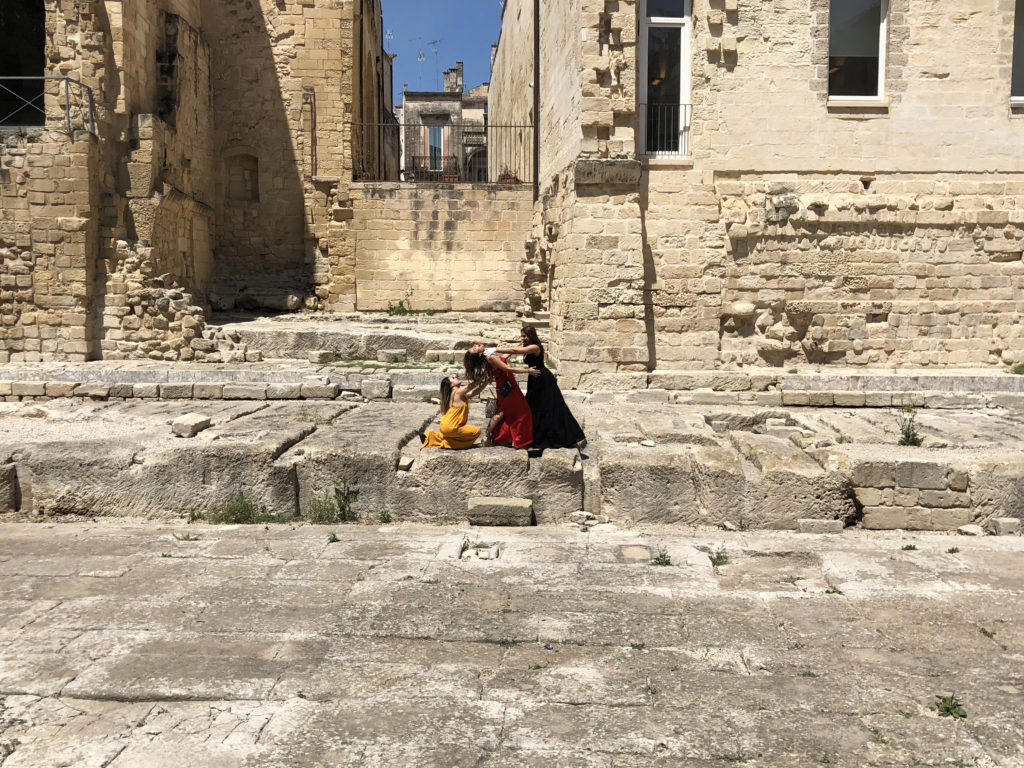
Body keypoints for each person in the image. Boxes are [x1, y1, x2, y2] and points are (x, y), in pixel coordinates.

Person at [496, 326, 585, 450]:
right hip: (534, 379)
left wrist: (495, 349)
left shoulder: (535, 347)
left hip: (543, 379)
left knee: (549, 407)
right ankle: (534, 437)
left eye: (524, 336)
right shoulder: (526, 345)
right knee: (533, 407)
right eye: (522, 335)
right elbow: (513, 350)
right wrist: (500, 357)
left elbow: (515, 351)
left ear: (531, 335)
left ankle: (564, 436)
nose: (523, 338)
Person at [463, 343, 538, 449]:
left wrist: (517, 347)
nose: (476, 345)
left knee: (502, 412)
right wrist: (528, 371)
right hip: (508, 389)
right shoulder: (491, 358)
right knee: (521, 412)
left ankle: (497, 437)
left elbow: (503, 358)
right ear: (479, 354)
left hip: (506, 387)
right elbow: (508, 369)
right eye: (475, 348)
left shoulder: (489, 358)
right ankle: (519, 440)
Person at [422, 373, 499, 449]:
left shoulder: (459, 394)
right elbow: (474, 385)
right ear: (452, 385)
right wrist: (484, 374)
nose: (456, 377)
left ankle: (431, 437)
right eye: (453, 378)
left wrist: (486, 381)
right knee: (476, 431)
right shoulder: (458, 392)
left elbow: (476, 391)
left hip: (446, 426)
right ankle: (448, 443)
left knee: (454, 434)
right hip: (451, 427)